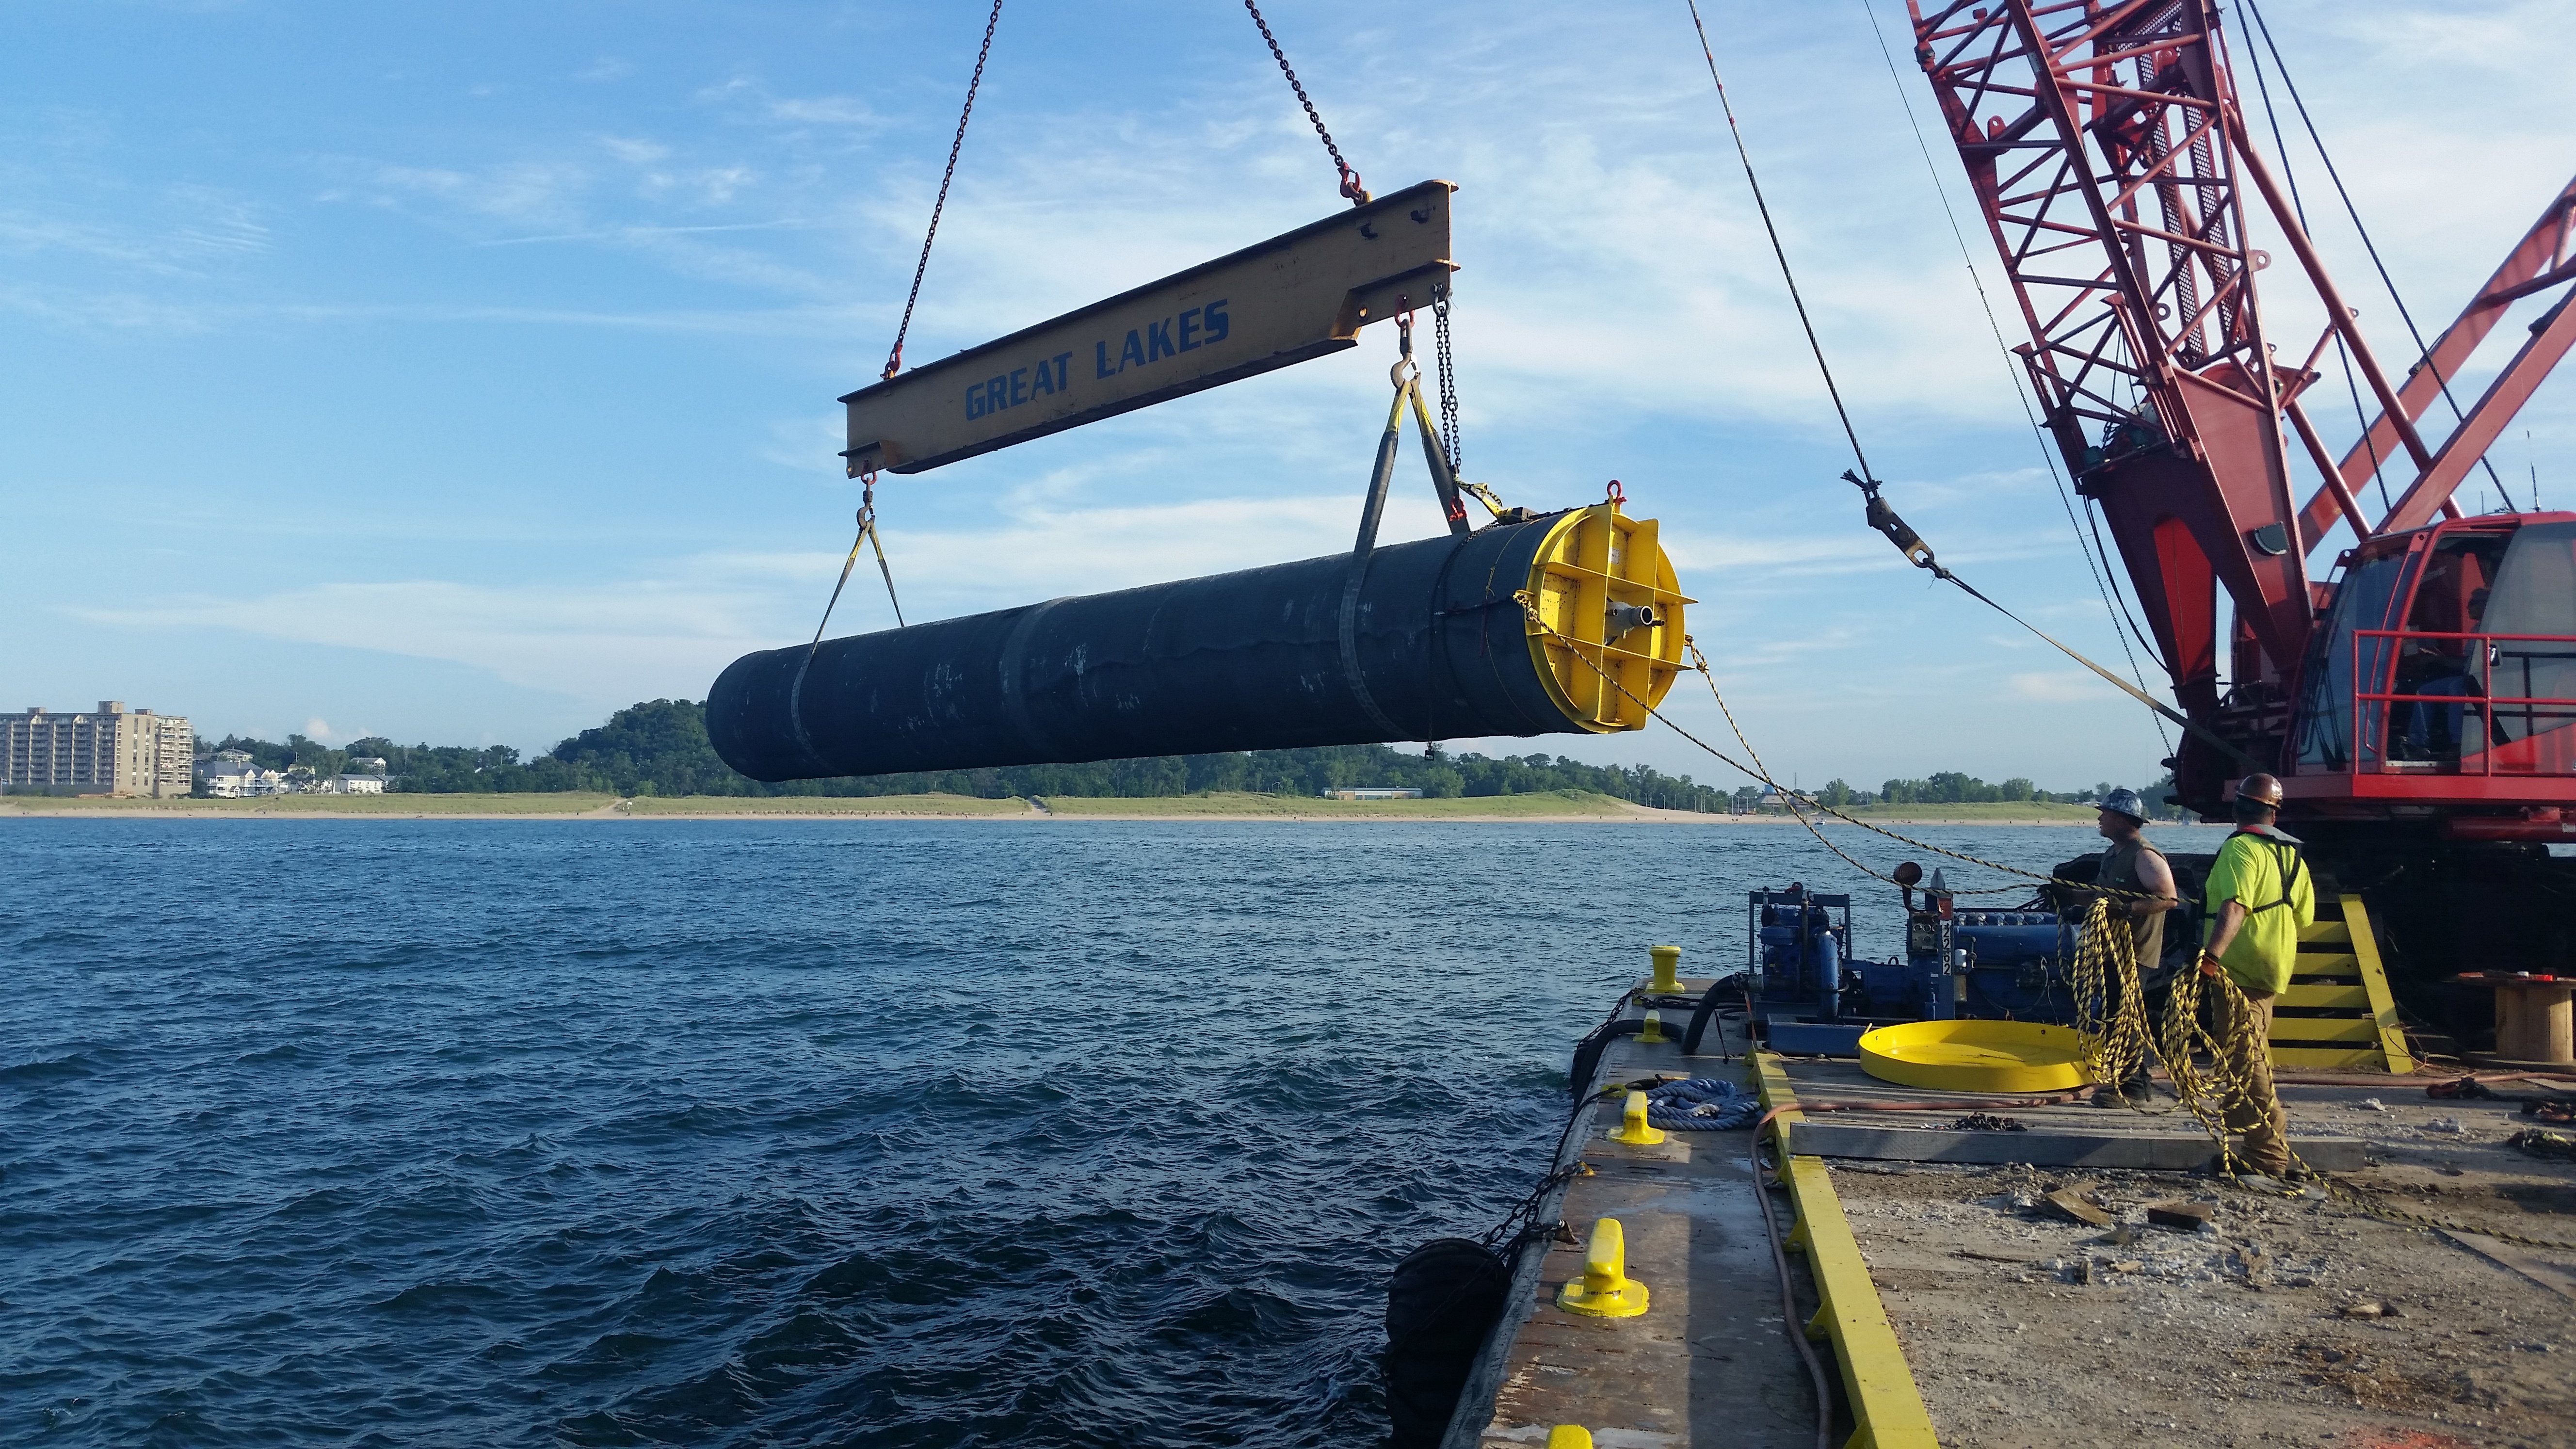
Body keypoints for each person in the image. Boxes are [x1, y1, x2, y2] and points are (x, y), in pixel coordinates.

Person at [2197, 772, 2317, 1178]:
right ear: (2274, 813)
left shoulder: (2241, 849)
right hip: (2274, 966)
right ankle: (2253, 1145)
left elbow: (2234, 907)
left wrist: (2211, 957)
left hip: (2240, 967)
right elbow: (2305, 915)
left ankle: (2266, 1155)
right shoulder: (2292, 854)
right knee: (2252, 1054)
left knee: (2245, 1061)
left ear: (2237, 808)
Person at [2089, 788, 2182, 1103]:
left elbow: (2168, 898)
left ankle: (2132, 1088)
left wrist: (2128, 910)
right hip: (2113, 949)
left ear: (2119, 819)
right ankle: (2133, 1082)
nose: (2100, 819)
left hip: (2135, 952)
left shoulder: (2144, 855)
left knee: (2125, 1015)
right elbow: (2102, 896)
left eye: (2105, 814)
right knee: (2120, 1013)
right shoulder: (2113, 855)